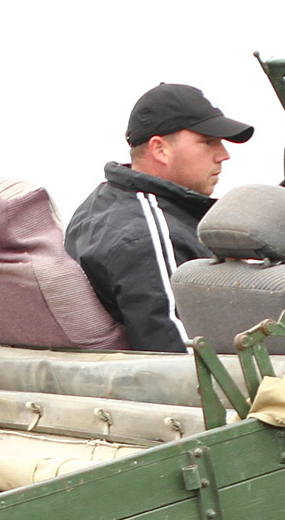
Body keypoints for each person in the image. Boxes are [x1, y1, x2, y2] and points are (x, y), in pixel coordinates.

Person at [65, 83, 254, 352]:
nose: (224, 155)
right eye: (208, 141)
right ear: (160, 149)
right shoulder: (150, 235)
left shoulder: (105, 203)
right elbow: (184, 358)